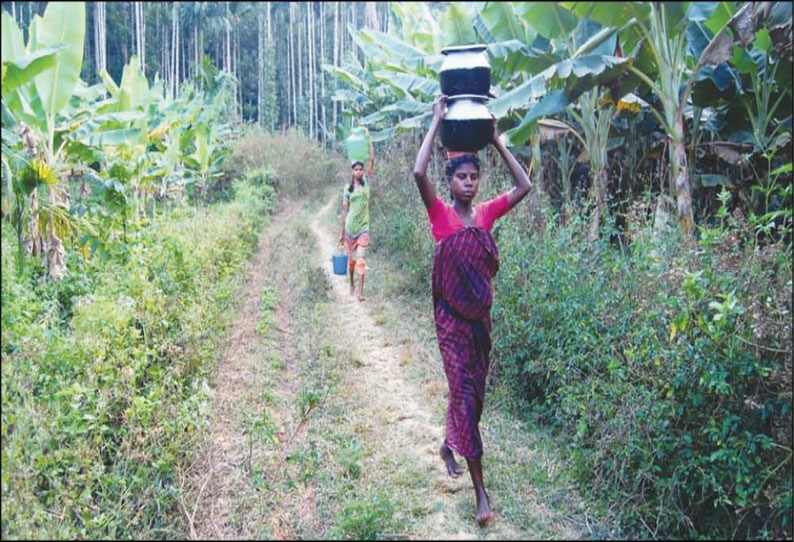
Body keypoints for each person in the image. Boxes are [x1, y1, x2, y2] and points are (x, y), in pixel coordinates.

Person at [413, 94, 531, 525]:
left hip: (480, 323)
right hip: (450, 323)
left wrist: (497, 140)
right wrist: (435, 121)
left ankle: (450, 442)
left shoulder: (484, 216)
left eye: (473, 176)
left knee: (473, 398)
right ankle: (481, 494)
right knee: (463, 393)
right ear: (451, 183)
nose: (468, 182)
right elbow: (417, 171)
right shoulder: (441, 216)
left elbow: (524, 187)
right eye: (461, 176)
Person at [340, 132, 375, 301]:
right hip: (350, 228)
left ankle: (361, 291)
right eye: (356, 169)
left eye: (361, 169)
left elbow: (372, 161)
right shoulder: (348, 189)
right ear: (352, 171)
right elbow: (345, 212)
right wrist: (341, 234)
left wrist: (369, 140)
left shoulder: (366, 183)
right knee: (351, 263)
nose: (359, 171)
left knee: (361, 258)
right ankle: (351, 283)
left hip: (363, 228)